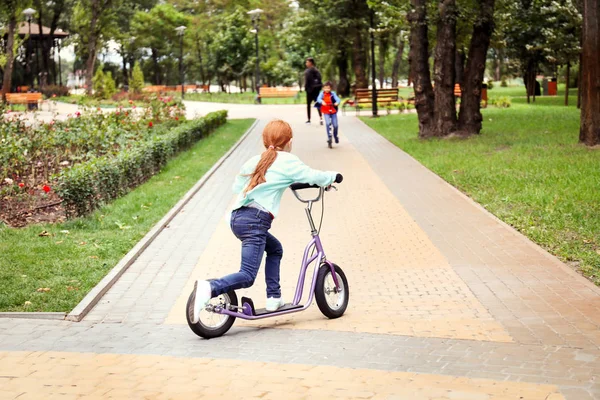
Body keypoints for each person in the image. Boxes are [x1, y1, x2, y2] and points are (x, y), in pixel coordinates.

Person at [191, 119, 341, 323]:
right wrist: (333, 176)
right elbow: (312, 175)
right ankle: (210, 287)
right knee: (247, 275)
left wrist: (274, 182)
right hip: (255, 222)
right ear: (289, 142)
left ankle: (274, 298)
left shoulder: (257, 160)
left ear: (265, 142)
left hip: (238, 218)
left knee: (275, 249)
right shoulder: (288, 161)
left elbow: (237, 186)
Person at [316, 81, 341, 148]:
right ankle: (329, 137)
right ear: (323, 88)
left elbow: (338, 99)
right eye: (325, 88)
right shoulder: (322, 94)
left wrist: (337, 102)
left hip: (333, 111)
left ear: (331, 89)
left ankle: (335, 136)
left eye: (328, 88)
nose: (327, 89)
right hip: (326, 111)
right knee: (327, 123)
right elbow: (318, 99)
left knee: (335, 125)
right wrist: (322, 101)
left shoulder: (333, 94)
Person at [304, 57, 323, 125]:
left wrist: (309, 88)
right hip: (312, 91)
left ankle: (316, 119)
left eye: (307, 62)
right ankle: (313, 119)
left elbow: (318, 80)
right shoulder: (311, 71)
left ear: (311, 63)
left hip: (312, 91)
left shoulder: (312, 71)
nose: (306, 63)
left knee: (313, 104)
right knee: (313, 105)